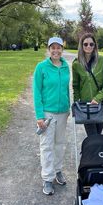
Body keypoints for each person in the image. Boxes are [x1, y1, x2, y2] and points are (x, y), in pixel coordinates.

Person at [32, 37, 70, 195]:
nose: (56, 50)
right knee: (47, 146)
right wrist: (39, 116)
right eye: (52, 47)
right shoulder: (41, 67)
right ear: (48, 49)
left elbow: (67, 89)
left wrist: (69, 107)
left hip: (63, 112)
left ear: (62, 49)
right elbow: (37, 92)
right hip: (47, 113)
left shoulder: (65, 66)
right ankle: (48, 178)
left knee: (60, 144)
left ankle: (58, 170)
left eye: (58, 47)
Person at [72, 33, 103, 136]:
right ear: (81, 45)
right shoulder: (76, 64)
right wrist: (76, 102)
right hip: (86, 106)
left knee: (97, 134)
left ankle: (92, 152)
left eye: (91, 44)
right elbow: (75, 85)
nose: (88, 46)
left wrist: (98, 98)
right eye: (85, 44)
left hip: (101, 104)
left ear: (95, 46)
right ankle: (92, 152)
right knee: (92, 135)